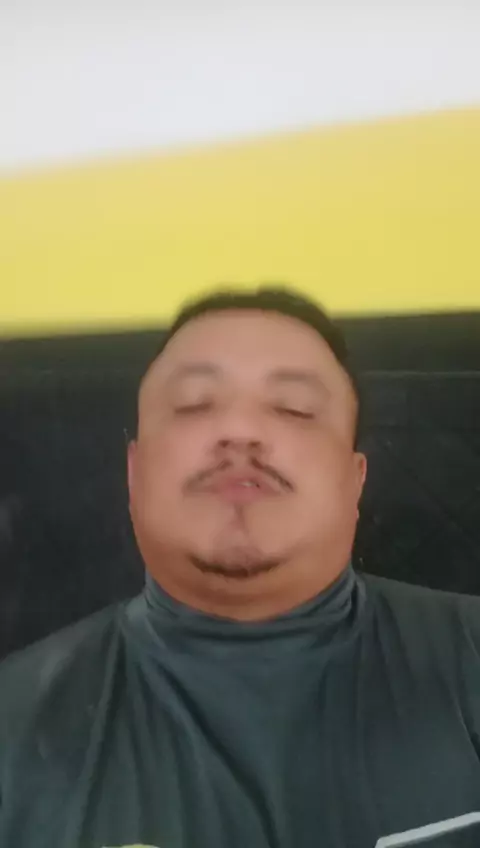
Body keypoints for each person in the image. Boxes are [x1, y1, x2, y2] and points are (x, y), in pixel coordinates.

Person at [1, 287, 480, 848]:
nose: (241, 430)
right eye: (194, 404)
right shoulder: (13, 725)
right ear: (134, 473)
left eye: (294, 408)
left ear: (356, 480)